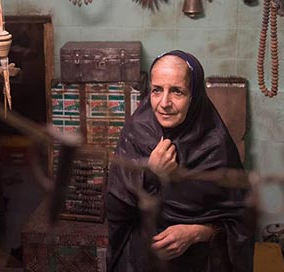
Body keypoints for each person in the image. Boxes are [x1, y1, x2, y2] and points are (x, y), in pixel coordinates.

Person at [105, 50, 253, 272]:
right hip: (141, 261)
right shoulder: (137, 132)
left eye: (177, 91)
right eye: (157, 90)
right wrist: (149, 174)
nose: (164, 103)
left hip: (199, 263)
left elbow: (242, 219)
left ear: (194, 96)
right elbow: (115, 210)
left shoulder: (216, 144)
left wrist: (198, 233)